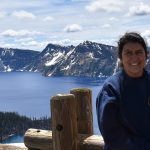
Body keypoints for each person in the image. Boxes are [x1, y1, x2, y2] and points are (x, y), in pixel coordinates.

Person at [96, 32, 150, 150]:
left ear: (146, 55)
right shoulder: (111, 89)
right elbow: (113, 137)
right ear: (121, 57)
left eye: (139, 52)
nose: (134, 58)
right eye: (128, 53)